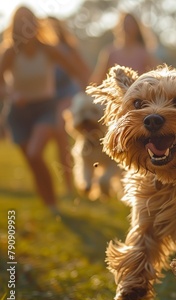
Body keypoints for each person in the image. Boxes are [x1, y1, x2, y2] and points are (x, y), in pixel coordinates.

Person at [0, 6, 89, 214]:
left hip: (45, 108)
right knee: (33, 162)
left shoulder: (48, 49)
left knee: (34, 152)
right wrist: (11, 95)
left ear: (35, 24)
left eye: (29, 20)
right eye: (20, 22)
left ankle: (53, 205)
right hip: (18, 112)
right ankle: (49, 202)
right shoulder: (10, 52)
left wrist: (87, 94)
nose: (25, 26)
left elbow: (77, 71)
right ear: (14, 26)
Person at [47, 16, 91, 196]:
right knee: (59, 140)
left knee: (62, 137)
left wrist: (88, 93)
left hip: (67, 95)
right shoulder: (41, 50)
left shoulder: (66, 49)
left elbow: (83, 71)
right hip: (46, 98)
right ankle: (69, 181)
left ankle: (70, 184)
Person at [90, 12, 159, 84]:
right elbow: (98, 79)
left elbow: (156, 77)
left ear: (136, 28)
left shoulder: (144, 54)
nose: (127, 28)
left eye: (130, 25)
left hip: (137, 93)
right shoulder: (111, 53)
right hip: (116, 93)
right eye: (125, 24)